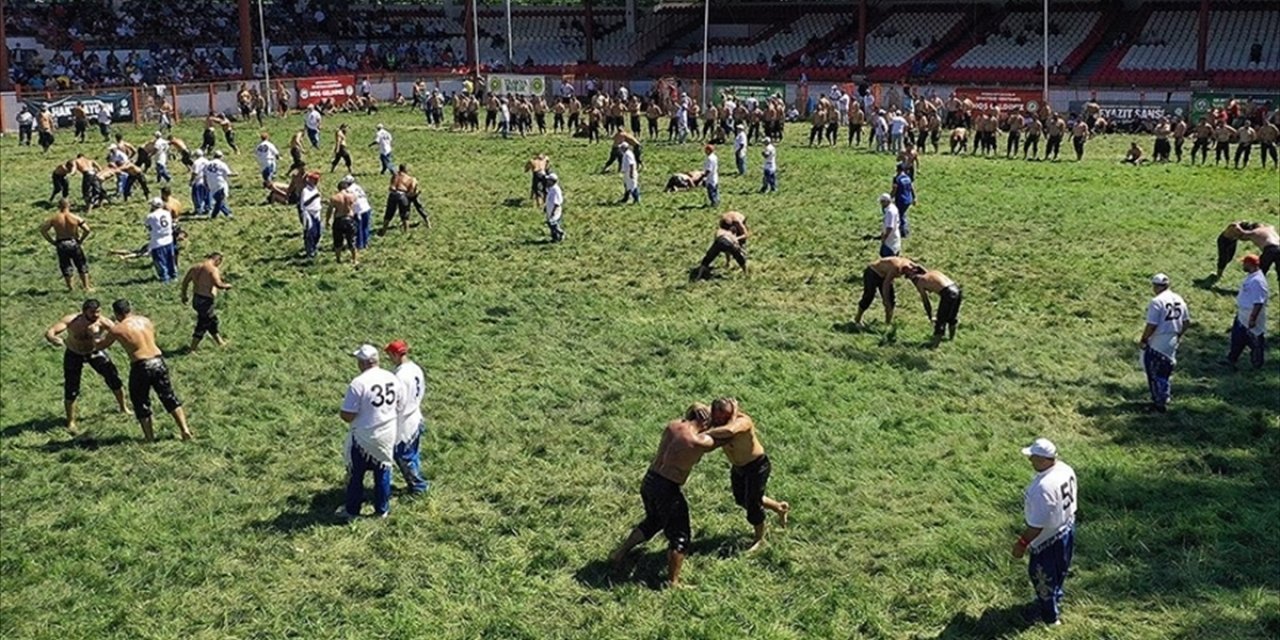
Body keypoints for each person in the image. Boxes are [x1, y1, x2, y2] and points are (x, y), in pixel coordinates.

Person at [608, 403, 718, 587]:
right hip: (667, 489)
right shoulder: (698, 441)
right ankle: (673, 582)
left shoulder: (673, 425)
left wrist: (697, 406)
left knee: (654, 520)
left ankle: (620, 553)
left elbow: (693, 407)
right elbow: (726, 435)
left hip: (649, 481)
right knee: (680, 535)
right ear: (706, 422)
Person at [94, 299, 192, 441]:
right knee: (169, 396)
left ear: (116, 314)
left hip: (141, 365)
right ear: (130, 309)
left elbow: (100, 346)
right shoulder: (146, 321)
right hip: (158, 360)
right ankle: (184, 429)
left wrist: (95, 334)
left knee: (140, 401)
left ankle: (149, 437)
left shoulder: (118, 328)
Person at [702, 397, 790, 552]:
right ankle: (779, 507)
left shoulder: (743, 421)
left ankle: (759, 539)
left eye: (724, 417)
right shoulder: (717, 420)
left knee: (753, 505)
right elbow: (696, 406)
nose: (718, 421)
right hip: (738, 467)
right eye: (716, 417)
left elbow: (730, 430)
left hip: (756, 466)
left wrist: (706, 432)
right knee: (742, 499)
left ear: (731, 413)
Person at [1013, 438, 1077, 627]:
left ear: (1043, 460)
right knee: (1059, 570)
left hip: (1047, 540)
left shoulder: (1041, 488)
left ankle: (1049, 617)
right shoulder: (1066, 469)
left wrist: (1021, 544)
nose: (1030, 460)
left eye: (1033, 457)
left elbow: (1036, 526)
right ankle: (1056, 597)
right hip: (1066, 528)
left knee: (1042, 577)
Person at [338, 344, 405, 521]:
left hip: (363, 436)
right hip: (387, 432)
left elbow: (347, 415)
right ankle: (382, 509)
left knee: (356, 474)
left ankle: (352, 510)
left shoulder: (358, 383)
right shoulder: (391, 377)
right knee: (383, 471)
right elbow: (400, 404)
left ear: (361, 362)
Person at [45, 299, 130, 433]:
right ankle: (71, 421)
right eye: (93, 312)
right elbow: (51, 331)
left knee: (113, 377)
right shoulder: (72, 321)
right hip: (74, 353)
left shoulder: (103, 322)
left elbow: (119, 332)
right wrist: (52, 338)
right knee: (71, 387)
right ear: (84, 311)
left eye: (98, 311)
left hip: (94, 352)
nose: (96, 315)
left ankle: (123, 407)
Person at [1138, 273, 1188, 412]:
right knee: (1166, 370)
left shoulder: (1156, 302)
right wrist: (1179, 335)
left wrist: (1144, 339)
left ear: (1155, 286)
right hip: (1172, 338)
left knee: (1154, 372)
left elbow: (1152, 325)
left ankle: (1158, 403)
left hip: (1158, 339)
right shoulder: (1178, 298)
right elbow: (1186, 322)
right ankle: (1165, 396)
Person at [385, 340, 430, 495]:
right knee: (413, 454)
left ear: (396, 354)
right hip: (416, 414)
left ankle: (418, 486)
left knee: (404, 456)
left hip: (404, 421)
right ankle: (416, 485)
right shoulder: (415, 368)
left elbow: (399, 401)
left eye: (390, 355)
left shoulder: (400, 375)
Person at [180, 253, 232, 351]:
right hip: (205, 301)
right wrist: (227, 286)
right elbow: (218, 284)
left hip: (196, 299)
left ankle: (220, 342)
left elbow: (185, 281)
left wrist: (184, 295)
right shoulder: (213, 269)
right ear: (217, 260)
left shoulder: (195, 267)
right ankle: (192, 348)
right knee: (203, 323)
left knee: (212, 320)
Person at [40, 198, 93, 292]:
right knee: (81, 264)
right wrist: (81, 240)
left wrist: (52, 241)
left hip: (61, 244)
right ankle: (86, 287)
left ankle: (70, 288)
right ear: (69, 205)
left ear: (58, 206)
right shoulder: (75, 217)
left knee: (65, 265)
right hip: (73, 242)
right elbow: (87, 229)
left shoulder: (54, 218)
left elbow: (43, 230)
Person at [1227, 255, 1269, 369]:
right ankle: (1232, 359)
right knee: (1237, 338)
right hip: (1242, 314)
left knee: (1255, 341)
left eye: (1244, 263)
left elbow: (1258, 302)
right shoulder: (1253, 277)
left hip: (1251, 315)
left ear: (1250, 264)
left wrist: (1252, 318)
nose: (1242, 265)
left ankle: (1257, 364)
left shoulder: (1257, 281)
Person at [905, 264, 962, 341]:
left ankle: (935, 345)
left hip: (947, 293)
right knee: (952, 318)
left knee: (940, 320)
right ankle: (951, 339)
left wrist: (930, 316)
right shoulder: (934, 272)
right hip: (957, 290)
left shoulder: (920, 282)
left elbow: (926, 301)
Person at [853, 256, 916, 326]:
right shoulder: (896, 268)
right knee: (869, 295)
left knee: (891, 300)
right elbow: (886, 285)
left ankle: (887, 324)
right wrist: (886, 301)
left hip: (884, 275)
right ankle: (857, 319)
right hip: (872, 272)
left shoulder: (911, 265)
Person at [144, 198, 178, 283]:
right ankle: (173, 276)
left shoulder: (151, 216)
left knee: (160, 262)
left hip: (157, 242)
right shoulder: (167, 213)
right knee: (170, 259)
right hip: (169, 239)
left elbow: (148, 226)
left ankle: (165, 278)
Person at [326, 185, 360, 265]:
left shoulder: (335, 198)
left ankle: (338, 259)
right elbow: (355, 206)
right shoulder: (352, 196)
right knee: (352, 240)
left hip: (339, 220)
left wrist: (327, 221)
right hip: (349, 219)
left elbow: (329, 210)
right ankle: (354, 259)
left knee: (338, 241)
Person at [204, 151, 236, 219]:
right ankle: (228, 213)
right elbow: (228, 173)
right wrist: (235, 174)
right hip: (219, 183)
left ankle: (214, 215)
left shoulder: (208, 164)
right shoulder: (222, 164)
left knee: (219, 200)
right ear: (221, 156)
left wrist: (206, 183)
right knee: (220, 201)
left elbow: (205, 175)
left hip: (211, 183)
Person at [299, 172, 324, 259]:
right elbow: (305, 203)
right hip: (308, 212)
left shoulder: (315, 189)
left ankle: (315, 246)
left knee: (319, 232)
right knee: (310, 232)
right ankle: (310, 251)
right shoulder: (305, 190)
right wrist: (314, 197)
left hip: (317, 212)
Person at [891, 163, 914, 238]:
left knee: (900, 215)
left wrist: (890, 197)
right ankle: (904, 230)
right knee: (903, 214)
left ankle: (904, 232)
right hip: (908, 199)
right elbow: (911, 188)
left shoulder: (897, 178)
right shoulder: (908, 177)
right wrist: (914, 197)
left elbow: (894, 189)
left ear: (898, 170)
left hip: (901, 199)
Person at [877, 194, 901, 258]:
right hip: (893, 236)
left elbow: (890, 227)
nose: (881, 204)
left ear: (886, 201)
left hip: (890, 238)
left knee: (887, 256)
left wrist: (884, 237)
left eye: (882, 202)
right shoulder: (892, 208)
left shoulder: (890, 211)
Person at [545, 173, 565, 243]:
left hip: (555, 210)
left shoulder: (555, 190)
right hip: (550, 210)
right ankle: (555, 238)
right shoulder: (551, 189)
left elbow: (557, 202)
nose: (547, 181)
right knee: (551, 224)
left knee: (553, 223)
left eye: (549, 180)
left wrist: (554, 211)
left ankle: (560, 233)